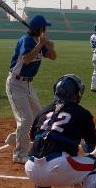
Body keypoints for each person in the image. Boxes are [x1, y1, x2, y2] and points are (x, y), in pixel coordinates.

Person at [25, 74, 96, 188]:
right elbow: (90, 146)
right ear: (76, 93)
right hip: (58, 166)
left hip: (31, 169)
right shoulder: (83, 113)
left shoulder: (43, 111)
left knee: (42, 155)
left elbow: (31, 137)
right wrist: (80, 142)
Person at [4, 15, 57, 164]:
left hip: (28, 85)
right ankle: (19, 154)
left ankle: (16, 138)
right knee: (25, 118)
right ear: (40, 29)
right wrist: (40, 45)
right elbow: (26, 59)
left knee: (38, 117)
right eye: (45, 28)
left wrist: (49, 46)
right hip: (15, 84)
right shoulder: (26, 40)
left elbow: (53, 57)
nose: (46, 30)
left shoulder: (38, 41)